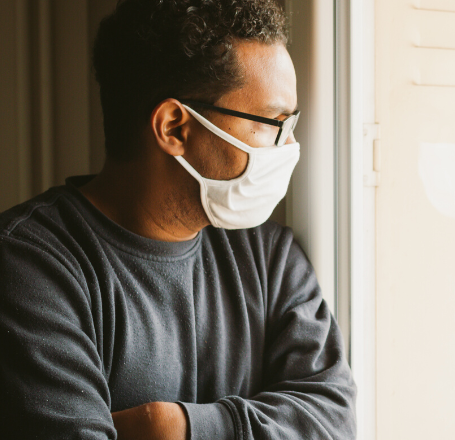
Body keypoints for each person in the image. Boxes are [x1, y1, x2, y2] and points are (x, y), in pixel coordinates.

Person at [0, 1, 356, 439]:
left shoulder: (270, 257)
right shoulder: (29, 269)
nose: (289, 147)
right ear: (174, 128)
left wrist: (176, 427)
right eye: (271, 123)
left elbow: (333, 417)